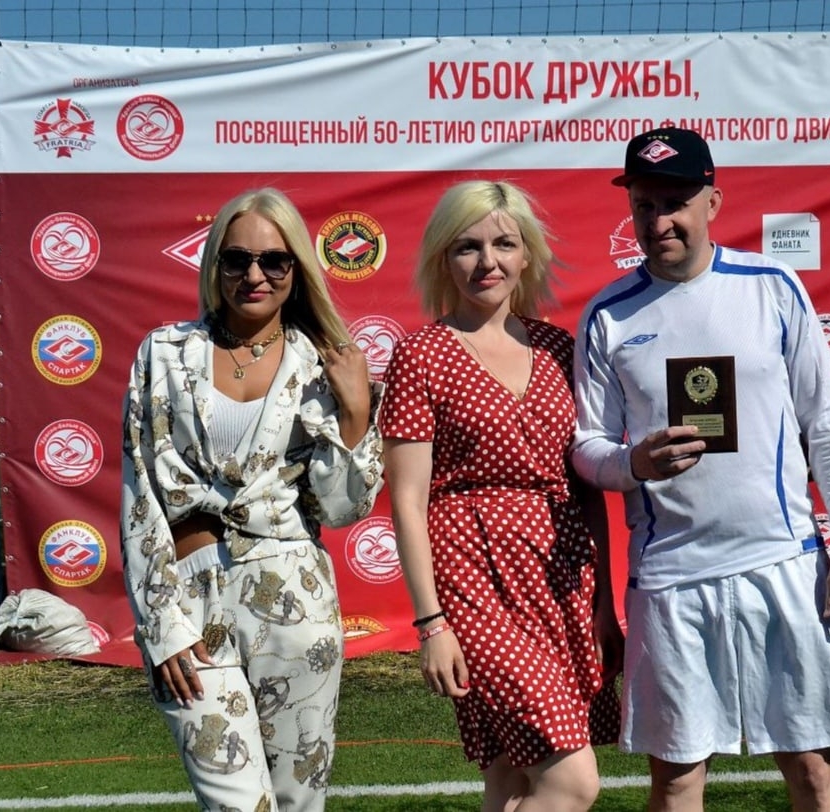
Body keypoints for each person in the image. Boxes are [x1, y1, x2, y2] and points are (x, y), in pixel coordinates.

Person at [572, 126, 830, 812]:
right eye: (644, 205)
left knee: (813, 770)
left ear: (712, 202)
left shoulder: (772, 286)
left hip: (784, 563)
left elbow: (826, 423)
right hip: (670, 579)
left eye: (675, 203)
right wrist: (630, 463)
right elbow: (586, 447)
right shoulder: (608, 315)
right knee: (677, 779)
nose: (659, 221)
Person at [120, 187, 384, 811]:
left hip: (295, 598)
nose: (255, 275)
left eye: (274, 261)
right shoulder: (164, 353)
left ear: (297, 269)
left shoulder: (322, 365)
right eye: (237, 259)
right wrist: (161, 626)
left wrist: (354, 413)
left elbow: (343, 509)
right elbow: (140, 494)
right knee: (237, 804)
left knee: (297, 803)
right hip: (189, 599)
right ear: (215, 265)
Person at [378, 180, 623, 812]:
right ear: (443, 258)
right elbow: (407, 501)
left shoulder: (559, 348)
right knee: (572, 782)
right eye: (467, 247)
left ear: (527, 255)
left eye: (503, 244)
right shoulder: (420, 355)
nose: (487, 262)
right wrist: (431, 623)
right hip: (471, 576)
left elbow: (585, 489)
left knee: (511, 778)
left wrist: (603, 603)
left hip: (559, 576)